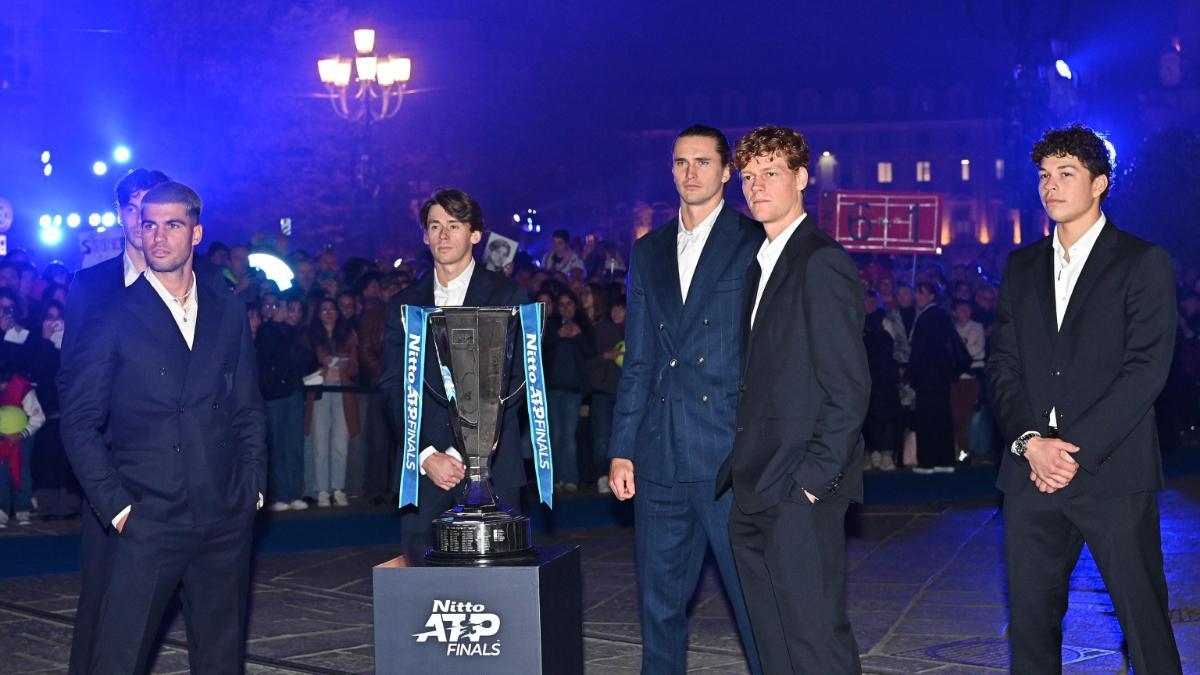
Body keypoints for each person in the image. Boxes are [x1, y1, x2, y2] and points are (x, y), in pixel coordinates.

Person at [988, 124, 1183, 673]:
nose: (1051, 186)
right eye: (1045, 176)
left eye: (1066, 174)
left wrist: (1070, 450)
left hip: (1112, 471)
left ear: (1099, 183)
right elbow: (1002, 364)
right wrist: (1030, 442)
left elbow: (1146, 372)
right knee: (1030, 625)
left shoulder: (1142, 263)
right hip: (1030, 473)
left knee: (1143, 620)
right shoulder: (1020, 266)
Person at [60, 181, 266, 673]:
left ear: (196, 233)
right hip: (146, 516)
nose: (157, 236)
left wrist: (253, 488)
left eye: (172, 225)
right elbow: (80, 420)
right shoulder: (111, 314)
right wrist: (117, 507)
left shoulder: (227, 310)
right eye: (149, 224)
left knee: (221, 658)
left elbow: (247, 408)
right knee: (119, 657)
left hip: (222, 512)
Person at [609, 124, 763, 674]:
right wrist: (622, 447)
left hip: (727, 454)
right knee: (659, 608)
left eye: (702, 162)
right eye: (680, 162)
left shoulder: (753, 243)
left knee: (754, 606)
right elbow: (640, 359)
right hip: (659, 455)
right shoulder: (647, 251)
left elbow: (765, 355)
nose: (690, 173)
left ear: (726, 172)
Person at [715, 125, 867, 673]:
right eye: (749, 177)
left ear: (802, 178)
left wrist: (810, 483)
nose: (757, 187)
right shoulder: (762, 263)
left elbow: (848, 386)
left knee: (815, 641)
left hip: (797, 490)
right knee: (773, 645)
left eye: (770, 174)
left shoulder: (820, 261)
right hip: (754, 485)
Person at [58, 167, 169, 675]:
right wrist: (96, 467)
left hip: (179, 464)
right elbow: (73, 384)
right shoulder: (91, 285)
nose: (141, 220)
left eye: (151, 208)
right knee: (102, 593)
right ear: (122, 215)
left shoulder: (194, 281)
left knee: (184, 597)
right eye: (132, 208)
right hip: (111, 467)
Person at [381, 188, 529, 563]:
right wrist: (426, 453)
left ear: (475, 234)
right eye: (435, 226)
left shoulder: (508, 295)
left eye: (454, 225)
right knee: (424, 589)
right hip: (425, 470)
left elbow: (515, 382)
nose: (443, 235)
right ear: (425, 236)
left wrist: (463, 449)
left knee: (495, 588)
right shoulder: (404, 305)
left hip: (492, 467)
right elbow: (393, 386)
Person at [304, 297, 359, 507]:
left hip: (343, 392)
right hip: (319, 392)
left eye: (331, 309)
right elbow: (303, 364)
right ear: (318, 314)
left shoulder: (348, 336)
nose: (327, 312)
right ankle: (322, 491)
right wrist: (321, 365)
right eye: (323, 309)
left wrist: (344, 366)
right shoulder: (311, 337)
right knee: (319, 442)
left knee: (340, 443)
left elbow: (356, 368)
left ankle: (338, 488)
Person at [544, 289, 595, 492]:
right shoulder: (551, 326)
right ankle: (556, 479)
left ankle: (571, 478)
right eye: (562, 304)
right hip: (553, 389)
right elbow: (540, 348)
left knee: (569, 437)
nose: (565, 308)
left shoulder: (583, 326)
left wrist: (578, 335)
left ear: (575, 306)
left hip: (574, 391)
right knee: (555, 437)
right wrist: (557, 336)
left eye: (569, 304)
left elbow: (591, 352)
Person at [908, 281, 958, 473]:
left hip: (927, 377)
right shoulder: (942, 316)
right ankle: (945, 460)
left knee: (927, 419)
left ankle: (928, 461)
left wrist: (912, 376)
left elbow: (918, 352)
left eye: (922, 292)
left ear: (931, 296)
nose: (918, 296)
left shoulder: (925, 318)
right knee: (942, 416)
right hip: (941, 376)